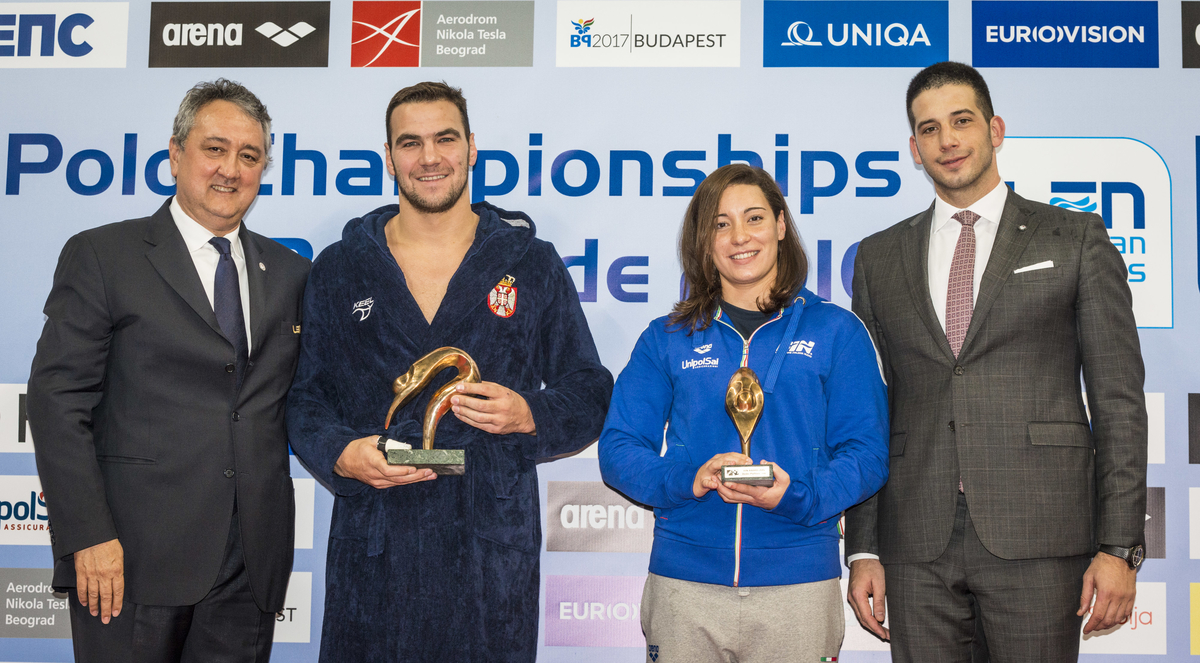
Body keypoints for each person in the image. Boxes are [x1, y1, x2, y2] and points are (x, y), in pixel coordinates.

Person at [286, 81, 612, 662]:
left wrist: (530, 413)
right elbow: (305, 400)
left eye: (445, 139)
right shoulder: (341, 268)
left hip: (488, 551)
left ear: (471, 148)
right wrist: (341, 453)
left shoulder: (529, 262)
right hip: (375, 545)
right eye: (410, 143)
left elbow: (589, 390)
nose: (429, 157)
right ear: (389, 158)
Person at [845, 61, 1147, 662]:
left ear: (995, 129)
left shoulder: (1075, 238)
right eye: (929, 129)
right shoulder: (878, 258)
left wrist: (1119, 547)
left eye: (962, 121)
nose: (947, 140)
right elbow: (869, 413)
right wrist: (864, 547)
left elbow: (1118, 400)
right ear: (914, 149)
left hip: (1040, 532)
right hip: (915, 540)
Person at [27, 79, 309, 661]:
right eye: (215, 149)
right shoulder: (104, 256)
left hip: (249, 568)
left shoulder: (291, 273)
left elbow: (308, 395)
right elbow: (57, 400)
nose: (231, 169)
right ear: (176, 154)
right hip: (127, 561)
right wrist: (88, 535)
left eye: (249, 155)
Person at [599, 164, 889, 663]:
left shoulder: (836, 331)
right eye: (721, 223)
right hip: (684, 584)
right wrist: (689, 479)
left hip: (798, 584)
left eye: (754, 218)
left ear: (780, 225)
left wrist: (797, 497)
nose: (739, 237)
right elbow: (619, 448)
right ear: (704, 240)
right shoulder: (667, 337)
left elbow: (867, 453)